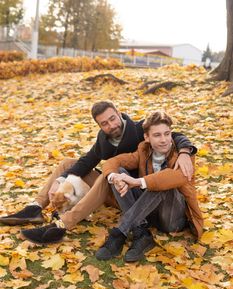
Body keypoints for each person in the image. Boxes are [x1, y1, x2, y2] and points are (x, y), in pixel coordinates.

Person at [0, 101, 196, 244]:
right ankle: (35, 208)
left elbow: (174, 134)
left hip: (138, 194)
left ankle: (64, 224)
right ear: (99, 125)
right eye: (104, 123)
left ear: (119, 113)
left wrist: (186, 151)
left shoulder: (139, 129)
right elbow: (87, 160)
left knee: (105, 174)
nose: (111, 125)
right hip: (116, 187)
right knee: (68, 163)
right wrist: (60, 180)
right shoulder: (104, 140)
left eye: (112, 118)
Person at [96, 111, 203, 262]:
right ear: (147, 137)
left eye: (167, 134)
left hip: (172, 219)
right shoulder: (143, 150)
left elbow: (176, 177)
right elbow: (112, 162)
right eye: (157, 135)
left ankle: (121, 231)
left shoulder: (184, 155)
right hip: (147, 212)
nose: (164, 140)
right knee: (119, 173)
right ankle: (141, 233)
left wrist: (139, 182)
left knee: (163, 182)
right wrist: (115, 178)